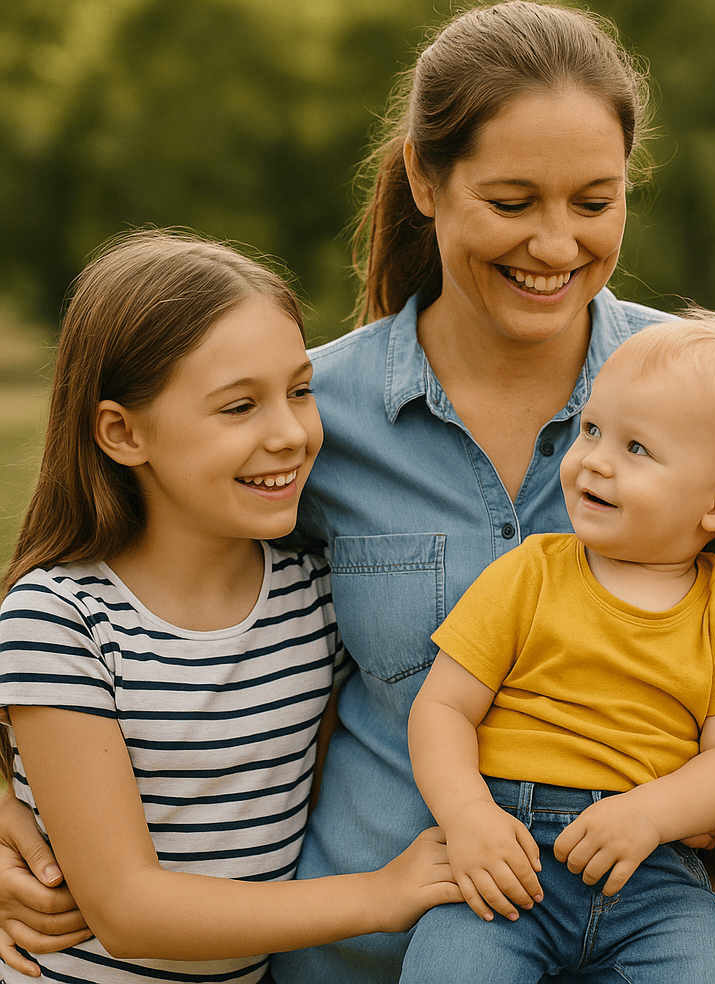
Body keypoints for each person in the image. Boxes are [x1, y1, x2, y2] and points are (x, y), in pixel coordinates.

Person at [0, 0, 715, 984]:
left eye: (594, 201)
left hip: (651, 930)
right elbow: (115, 589)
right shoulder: (306, 413)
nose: (556, 245)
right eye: (512, 201)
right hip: (370, 954)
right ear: (426, 180)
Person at [0, 230, 459, 983]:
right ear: (123, 431)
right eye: (239, 406)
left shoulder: (312, 597)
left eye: (300, 390)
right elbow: (128, 909)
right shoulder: (63, 619)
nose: (288, 433)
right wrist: (379, 896)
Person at [400, 312, 715, 983]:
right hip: (509, 856)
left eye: (636, 449)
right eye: (590, 428)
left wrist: (651, 813)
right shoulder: (532, 572)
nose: (593, 460)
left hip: (653, 876)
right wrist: (467, 817)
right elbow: (442, 709)